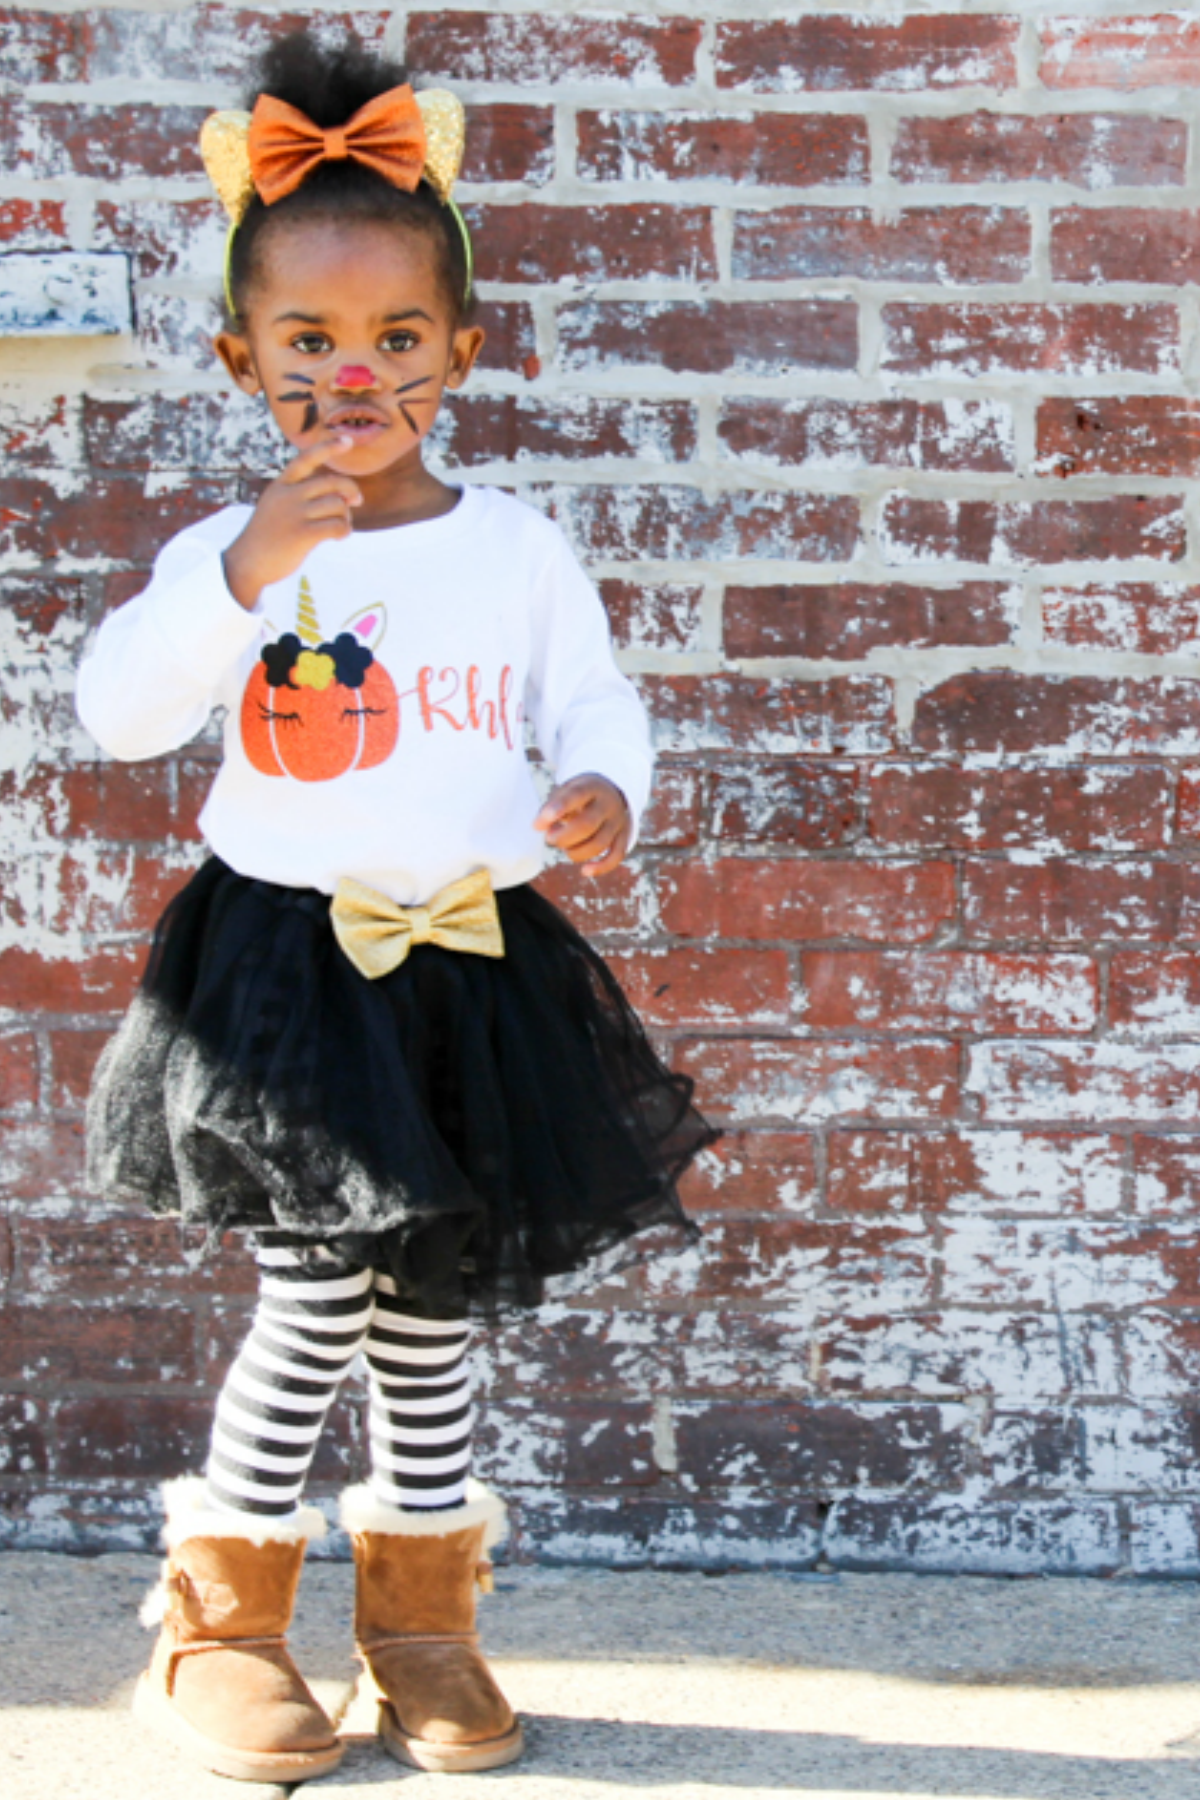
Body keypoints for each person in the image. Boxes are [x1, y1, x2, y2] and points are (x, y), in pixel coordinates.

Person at [75, 28, 715, 1789]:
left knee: (429, 1314)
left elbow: (593, 705)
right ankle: (221, 1625)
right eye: (307, 343)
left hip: (474, 966)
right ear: (244, 356)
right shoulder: (245, 545)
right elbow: (118, 710)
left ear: (459, 351)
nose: (351, 376)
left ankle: (424, 1618)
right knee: (311, 1298)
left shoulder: (515, 548)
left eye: (394, 340)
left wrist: (605, 791)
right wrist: (246, 571)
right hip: (293, 969)